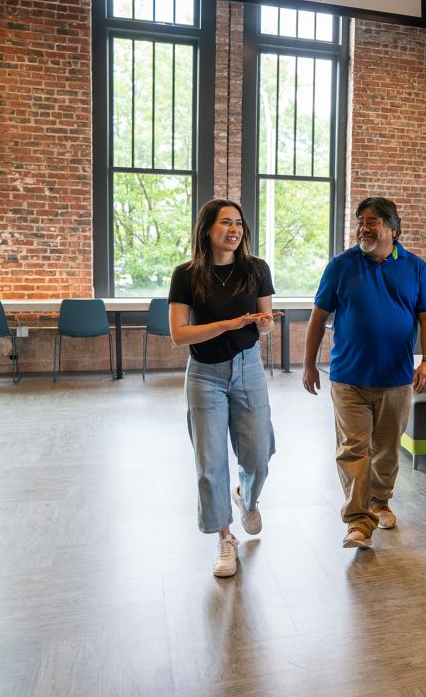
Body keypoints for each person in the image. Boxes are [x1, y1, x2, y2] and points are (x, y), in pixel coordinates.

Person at [302, 196, 426, 549]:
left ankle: (380, 502)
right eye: (361, 220)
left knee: (387, 449)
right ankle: (358, 521)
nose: (364, 226)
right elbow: (318, 317)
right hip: (348, 377)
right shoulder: (341, 266)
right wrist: (308, 364)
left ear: (393, 229)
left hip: (395, 378)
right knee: (352, 449)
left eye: (373, 220)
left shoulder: (415, 268)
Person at [169, 198, 278, 578]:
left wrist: (264, 323)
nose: (234, 230)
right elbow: (179, 335)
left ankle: (246, 498)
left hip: (248, 369)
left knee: (258, 455)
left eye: (239, 223)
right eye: (225, 223)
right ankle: (225, 538)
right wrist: (229, 324)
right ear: (207, 229)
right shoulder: (186, 275)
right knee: (210, 465)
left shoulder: (256, 269)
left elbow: (264, 326)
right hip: (204, 374)